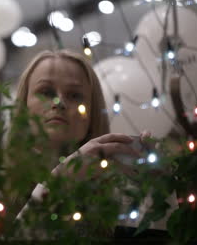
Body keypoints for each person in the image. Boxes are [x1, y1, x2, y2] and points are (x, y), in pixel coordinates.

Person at [12, 49, 151, 218]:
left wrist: (155, 192)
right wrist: (60, 180)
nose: (59, 102)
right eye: (46, 92)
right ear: (23, 106)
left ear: (92, 113)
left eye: (74, 95)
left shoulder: (114, 189)